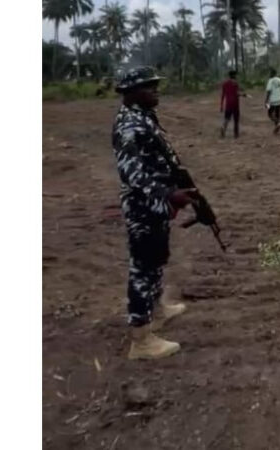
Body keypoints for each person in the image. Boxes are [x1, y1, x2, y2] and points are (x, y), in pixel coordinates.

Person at [112, 66, 193, 360]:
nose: (156, 91)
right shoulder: (129, 125)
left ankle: (157, 310)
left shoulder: (143, 117)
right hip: (143, 206)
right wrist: (169, 194)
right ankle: (141, 339)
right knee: (143, 268)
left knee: (156, 259)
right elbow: (132, 173)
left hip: (155, 205)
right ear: (131, 93)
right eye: (149, 87)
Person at [220, 69, 244, 138]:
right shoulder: (235, 83)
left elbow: (223, 95)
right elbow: (237, 93)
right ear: (234, 75)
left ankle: (223, 127)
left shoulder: (225, 84)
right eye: (236, 75)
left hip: (228, 104)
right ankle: (236, 134)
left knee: (227, 118)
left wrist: (221, 105)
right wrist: (242, 95)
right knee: (236, 119)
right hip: (235, 104)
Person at [265, 68, 280, 134]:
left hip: (272, 100)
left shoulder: (270, 80)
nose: (268, 74)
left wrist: (266, 100)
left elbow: (269, 91)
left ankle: (278, 123)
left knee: (270, 114)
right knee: (277, 114)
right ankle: (277, 128)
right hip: (279, 99)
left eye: (269, 73)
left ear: (271, 73)